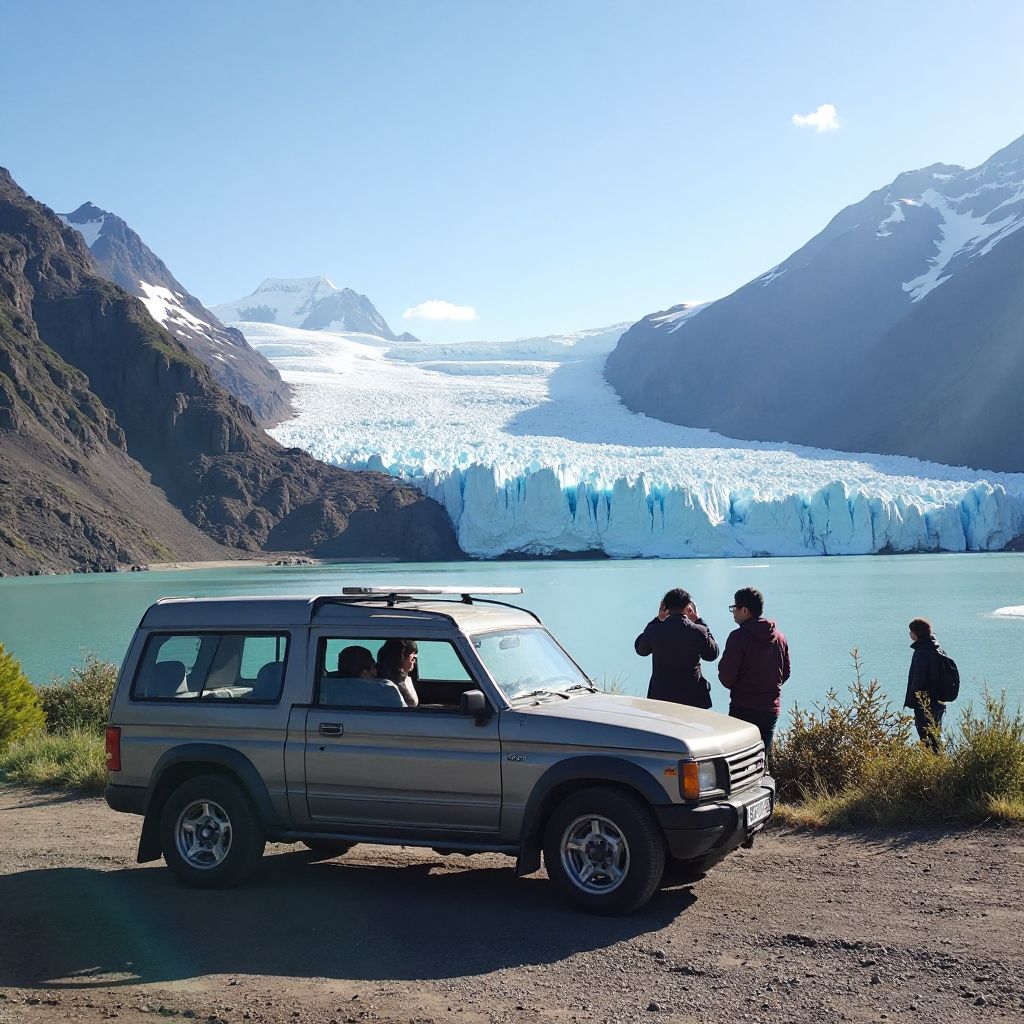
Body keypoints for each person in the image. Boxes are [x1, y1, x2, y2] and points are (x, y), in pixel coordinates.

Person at [718, 587, 790, 757]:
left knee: (740, 759)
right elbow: (785, 672)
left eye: (734, 608)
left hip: (743, 706)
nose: (733, 612)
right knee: (763, 757)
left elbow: (727, 676)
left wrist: (741, 687)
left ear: (744, 610)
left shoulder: (738, 637)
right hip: (771, 708)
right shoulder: (780, 637)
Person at [634, 588, 719, 708]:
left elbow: (640, 649)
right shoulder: (699, 630)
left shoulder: (655, 630)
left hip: (661, 695)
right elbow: (712, 654)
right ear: (688, 606)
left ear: (665, 607)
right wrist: (699, 621)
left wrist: (657, 620)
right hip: (692, 696)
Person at [904, 617, 945, 752]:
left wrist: (912, 701)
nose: (910, 634)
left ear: (916, 633)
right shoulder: (938, 649)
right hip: (939, 701)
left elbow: (918, 680)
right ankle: (939, 766)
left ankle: (932, 768)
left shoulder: (921, 652)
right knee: (935, 736)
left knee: (926, 738)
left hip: (925, 703)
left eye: (911, 631)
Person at [377, 638, 419, 708]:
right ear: (401, 657)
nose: (415, 658)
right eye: (413, 653)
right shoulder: (387, 685)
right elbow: (410, 705)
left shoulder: (405, 677)